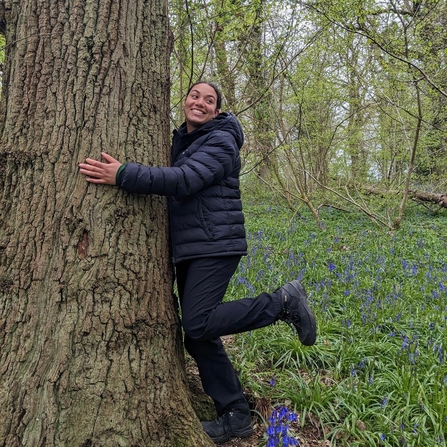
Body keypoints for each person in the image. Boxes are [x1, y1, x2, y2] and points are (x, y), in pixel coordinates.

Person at [78, 81, 317, 444]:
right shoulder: (185, 141)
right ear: (185, 101)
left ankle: (282, 302)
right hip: (193, 246)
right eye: (194, 96)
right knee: (198, 335)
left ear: (217, 112)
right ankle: (235, 414)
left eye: (209, 100)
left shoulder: (221, 141)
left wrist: (123, 174)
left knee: (197, 321)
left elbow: (186, 180)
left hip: (215, 244)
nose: (200, 103)